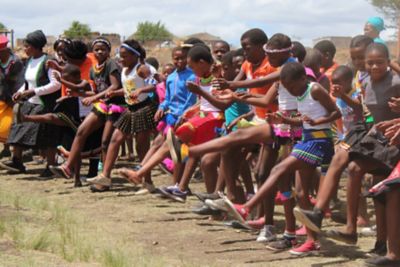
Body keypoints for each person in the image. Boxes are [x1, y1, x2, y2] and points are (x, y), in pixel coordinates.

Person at [294, 43, 400, 256]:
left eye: (380, 62)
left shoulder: (396, 81)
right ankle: (338, 222)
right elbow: (362, 108)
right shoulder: (366, 81)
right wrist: (342, 96)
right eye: (370, 63)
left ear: (388, 62)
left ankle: (380, 243)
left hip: (393, 141)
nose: (374, 66)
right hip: (375, 137)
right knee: (351, 168)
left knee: (379, 189)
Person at [111, 46, 197, 195]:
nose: (179, 61)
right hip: (172, 117)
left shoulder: (192, 77)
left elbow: (191, 100)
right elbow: (168, 99)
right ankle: (174, 184)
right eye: (176, 58)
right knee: (168, 148)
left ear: (188, 59)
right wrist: (161, 108)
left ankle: (143, 172)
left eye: (183, 58)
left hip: (185, 118)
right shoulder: (171, 77)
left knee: (167, 147)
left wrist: (184, 115)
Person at [74, 39, 158, 190]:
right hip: (130, 109)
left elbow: (155, 85)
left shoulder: (141, 68)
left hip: (143, 109)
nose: (121, 58)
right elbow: (128, 89)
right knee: (114, 140)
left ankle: (148, 181)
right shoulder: (124, 70)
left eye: (125, 56)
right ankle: (105, 176)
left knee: (142, 146)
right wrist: (115, 92)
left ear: (134, 56)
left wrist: (141, 90)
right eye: (120, 55)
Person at [0, 30, 61, 176]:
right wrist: (20, 92)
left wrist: (35, 92)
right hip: (30, 102)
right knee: (17, 128)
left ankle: (51, 165)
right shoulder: (29, 61)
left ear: (35, 47)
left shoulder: (49, 62)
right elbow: (28, 83)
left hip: (45, 103)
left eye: (27, 46)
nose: (24, 49)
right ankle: (17, 161)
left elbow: (56, 84)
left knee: (47, 134)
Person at [0, 35, 24, 158]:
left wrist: (14, 98)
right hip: (1, 96)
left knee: (11, 124)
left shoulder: (16, 62)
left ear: (4, 50)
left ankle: (13, 152)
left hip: (13, 98)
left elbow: (19, 82)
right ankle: (6, 148)